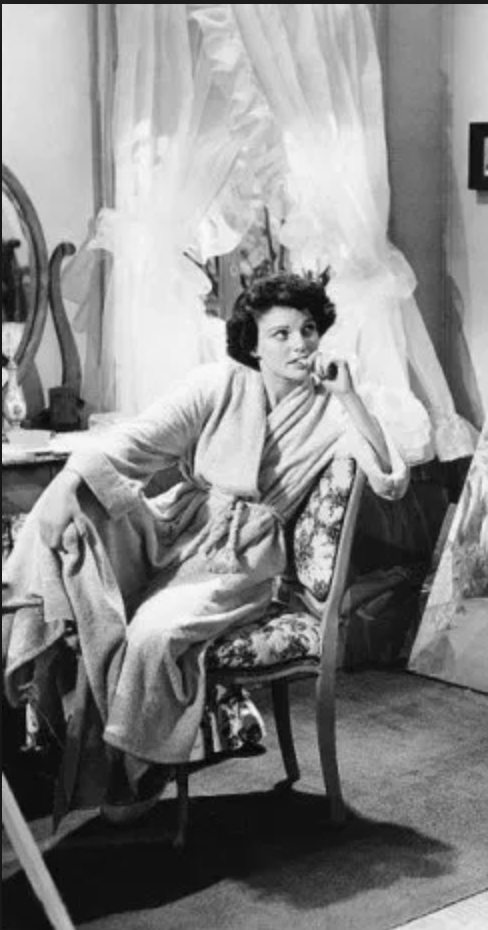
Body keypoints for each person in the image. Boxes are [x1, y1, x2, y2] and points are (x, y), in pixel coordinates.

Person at [2, 270, 410, 819]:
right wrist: (65, 486)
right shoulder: (218, 383)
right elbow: (135, 441)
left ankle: (136, 768)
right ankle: (32, 664)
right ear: (254, 345)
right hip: (177, 528)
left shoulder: (331, 409)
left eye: (308, 330)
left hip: (241, 560)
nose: (300, 344)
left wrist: (351, 397)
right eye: (282, 334)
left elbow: (391, 479)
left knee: (154, 632)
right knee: (73, 520)